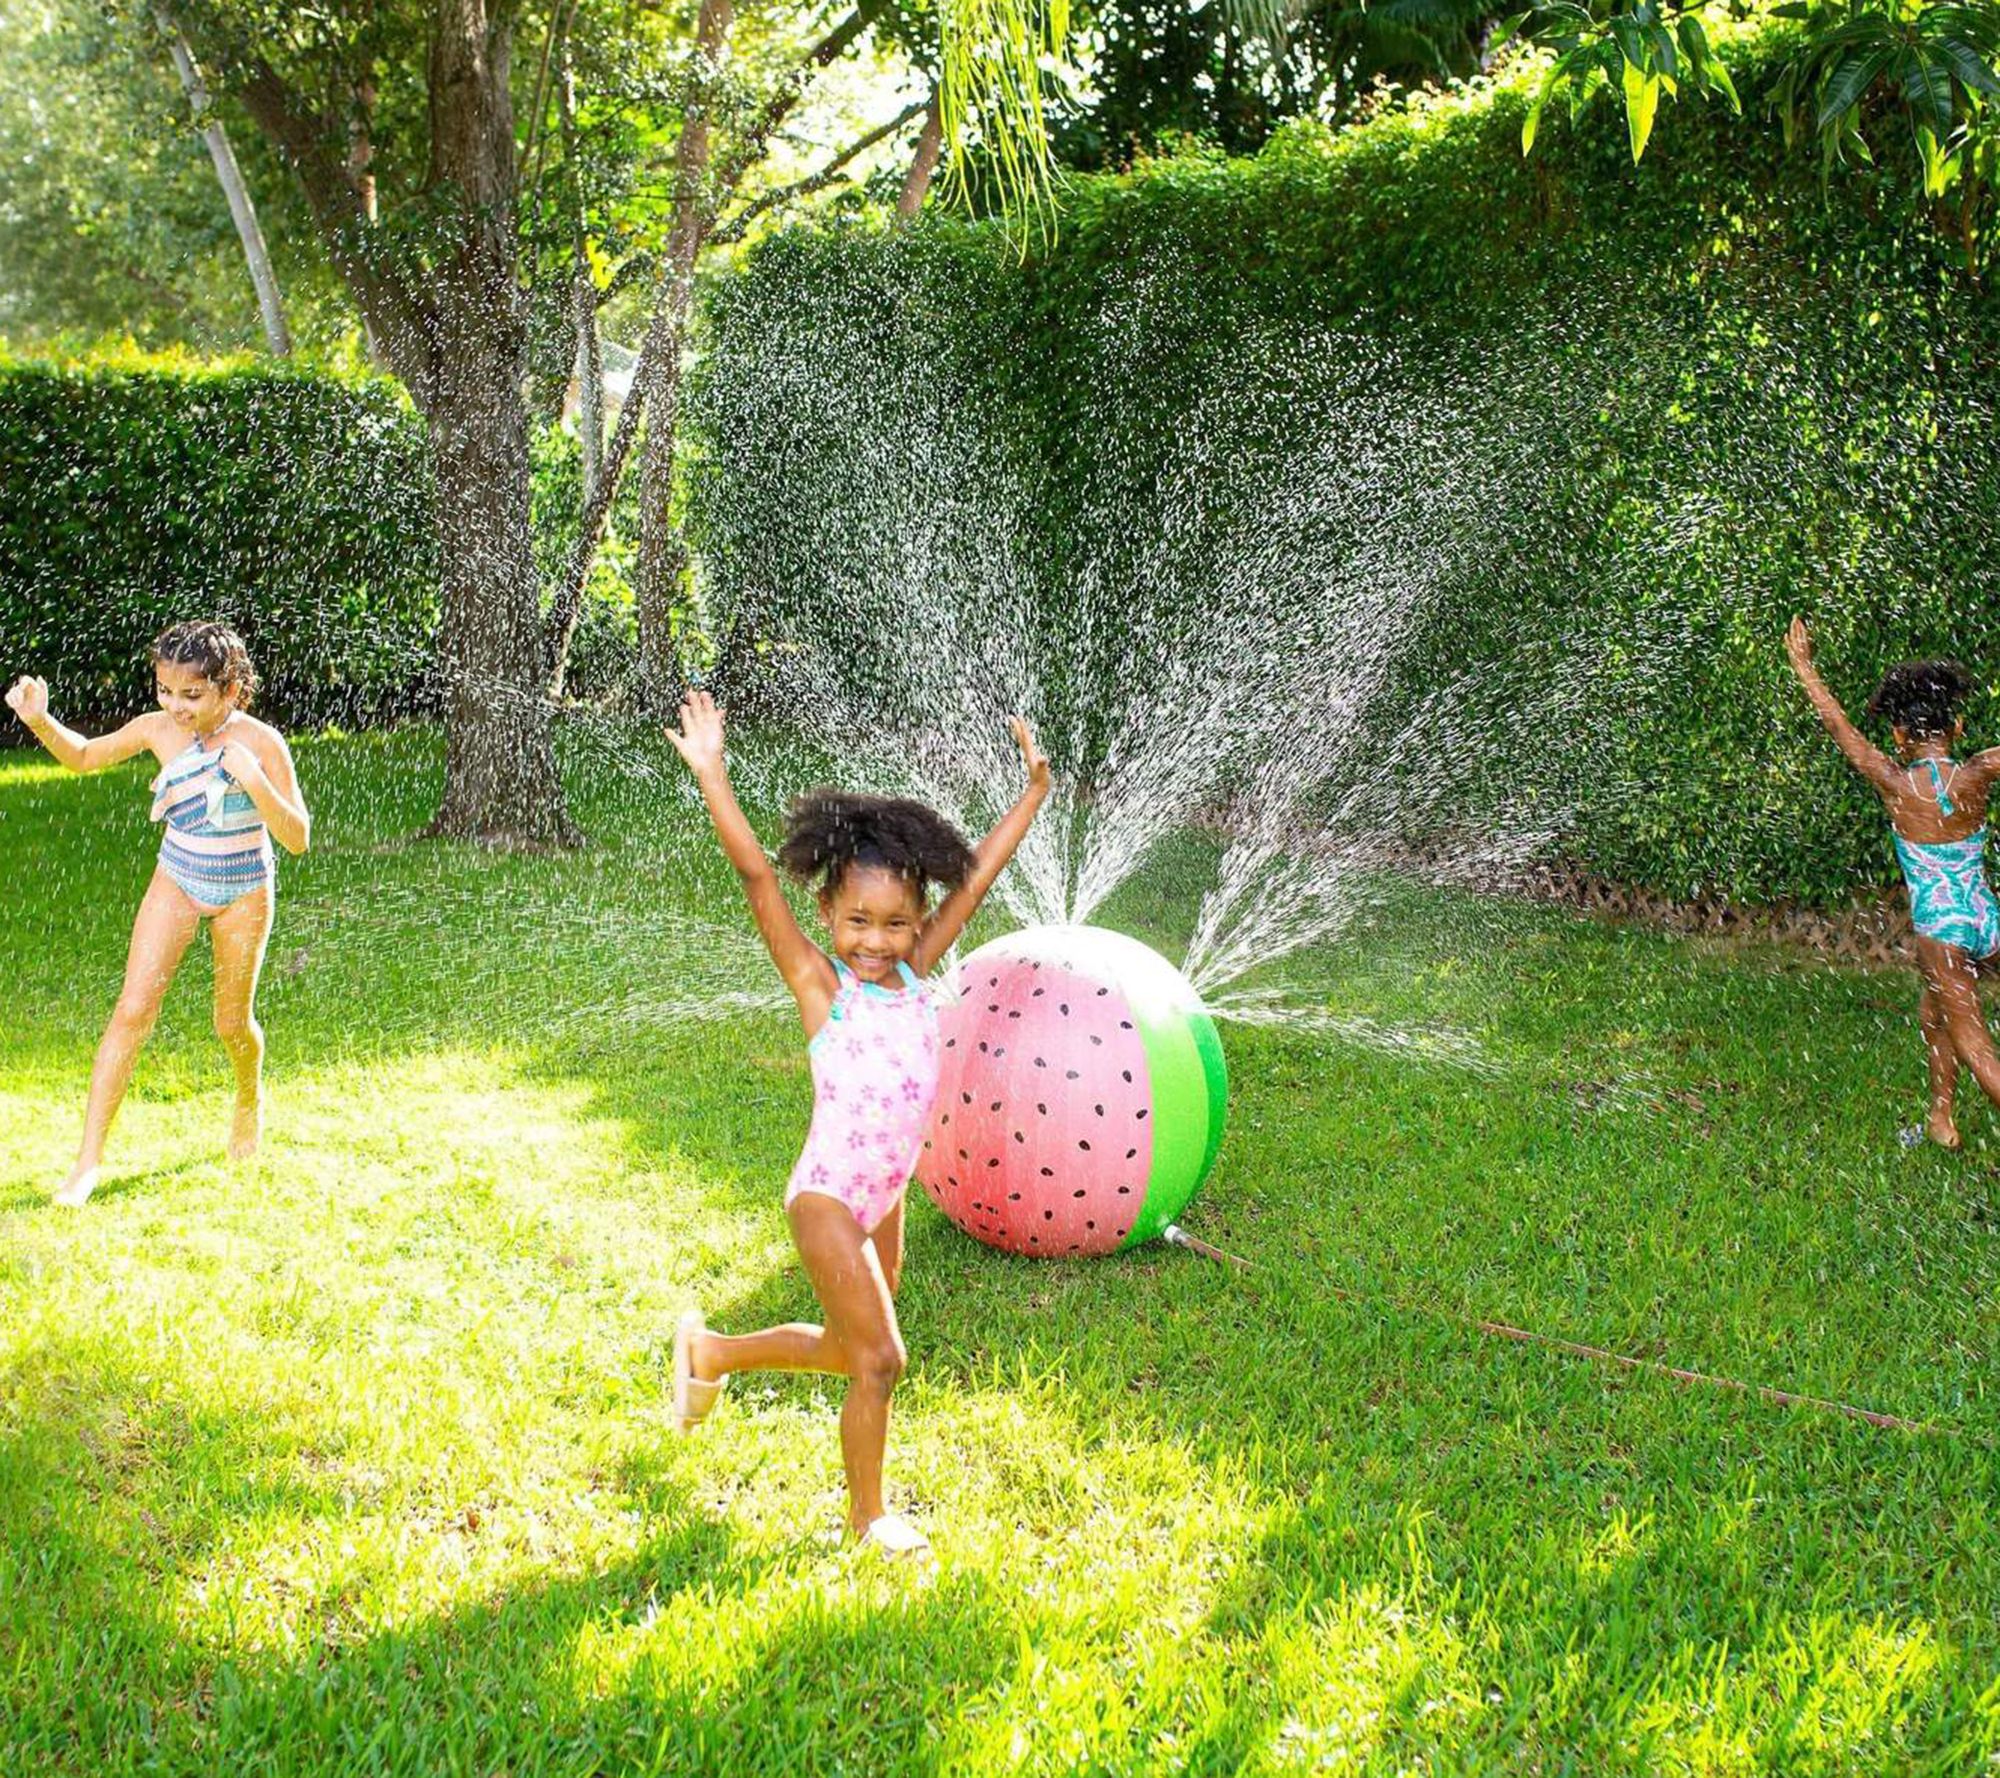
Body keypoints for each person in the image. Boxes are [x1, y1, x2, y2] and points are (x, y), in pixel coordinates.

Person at [665, 689, 1049, 1555]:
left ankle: (713, 1355)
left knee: (849, 1348)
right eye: (856, 922)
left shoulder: (917, 969)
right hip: (831, 1197)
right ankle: (868, 1517)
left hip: (887, 1200)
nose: (875, 942)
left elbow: (978, 877)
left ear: (919, 921)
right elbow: (759, 876)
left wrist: (1031, 796)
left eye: (895, 924)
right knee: (882, 1361)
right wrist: (712, 773)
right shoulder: (821, 988)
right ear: (829, 916)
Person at [5, 621, 310, 1203]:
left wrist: (255, 783)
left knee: (230, 1024)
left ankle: (248, 1096)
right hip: (177, 876)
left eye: (191, 695)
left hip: (244, 887)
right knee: (132, 1009)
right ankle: (87, 1163)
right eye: (165, 690)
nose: (175, 706)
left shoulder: (263, 743)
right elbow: (86, 756)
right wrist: (40, 720)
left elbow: (296, 838)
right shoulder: (157, 730)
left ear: (231, 689)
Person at [1787, 616, 2000, 1149]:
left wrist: (1805, 668)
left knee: (1976, 1043)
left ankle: (1946, 1116)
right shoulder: (1978, 770)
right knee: (1935, 1012)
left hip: (1943, 929)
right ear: (1955, 730)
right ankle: (1941, 1119)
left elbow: (1841, 730)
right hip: (1986, 918)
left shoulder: (1894, 781)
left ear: (1900, 735)